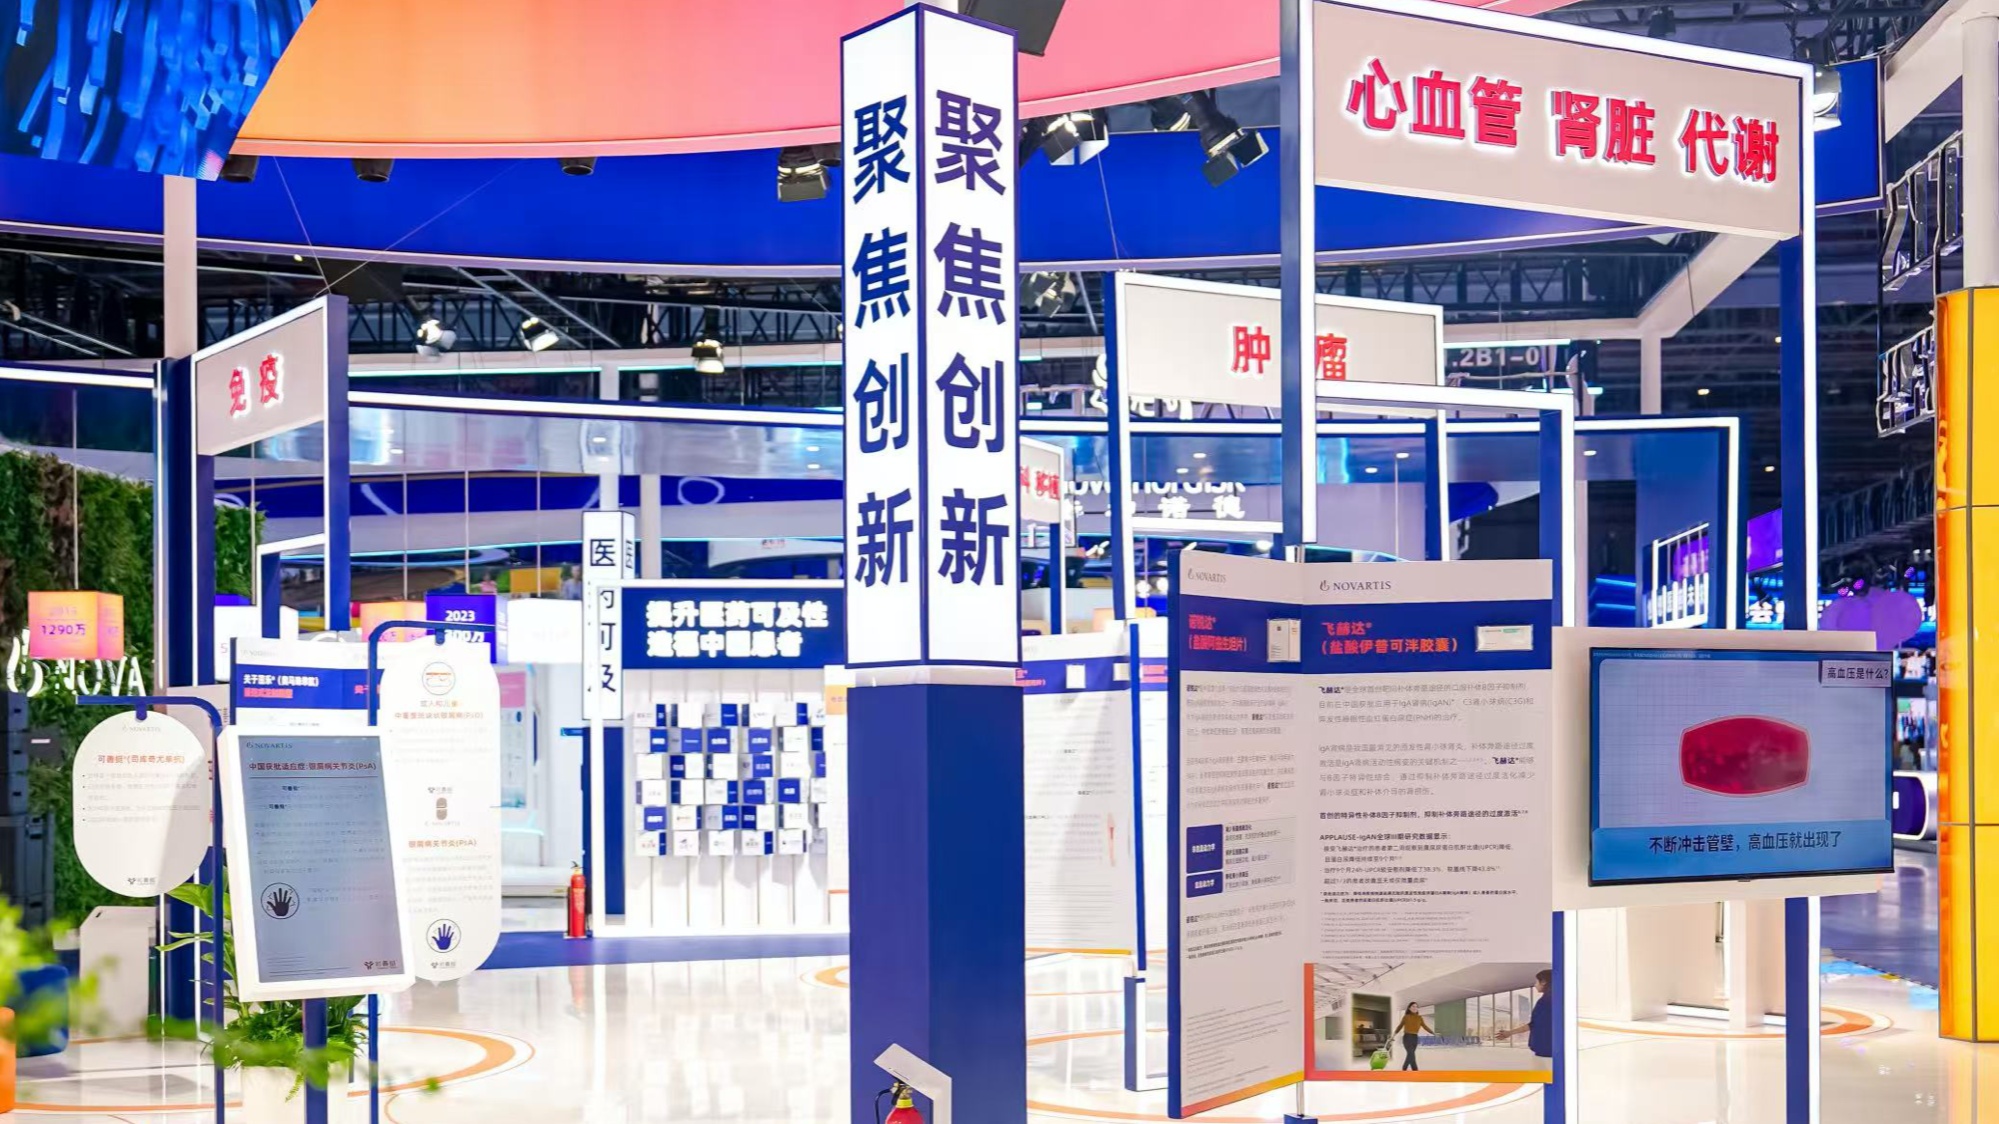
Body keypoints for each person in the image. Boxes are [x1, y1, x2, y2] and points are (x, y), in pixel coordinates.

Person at [1497, 969, 1554, 1059]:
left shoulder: (1545, 1002)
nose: (1535, 985)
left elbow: (1533, 1024)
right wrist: (1509, 1033)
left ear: (1543, 982)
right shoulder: (1554, 999)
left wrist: (1509, 1033)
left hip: (1546, 1051)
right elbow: (1534, 1024)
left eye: (1536, 982)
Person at [1397, 1002, 1433, 1071]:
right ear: (1409, 1008)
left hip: (1415, 1038)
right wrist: (1393, 1035)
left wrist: (1433, 1033)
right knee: (1411, 1054)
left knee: (1411, 1055)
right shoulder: (1406, 1017)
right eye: (1413, 1006)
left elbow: (1425, 1027)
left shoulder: (1419, 1018)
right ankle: (1405, 1069)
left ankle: (1414, 1071)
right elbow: (1400, 1026)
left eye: (1416, 1006)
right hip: (1407, 1037)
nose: (1415, 1008)